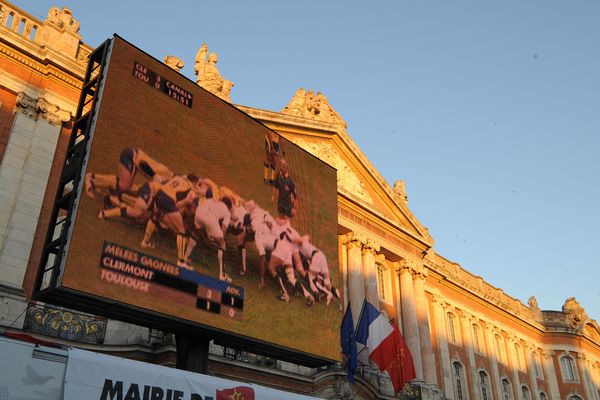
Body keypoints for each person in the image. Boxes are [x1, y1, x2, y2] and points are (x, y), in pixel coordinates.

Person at [85, 147, 172, 197]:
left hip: (134, 159)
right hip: (131, 158)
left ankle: (93, 176)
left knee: (125, 184)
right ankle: (92, 181)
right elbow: (143, 164)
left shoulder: (166, 177)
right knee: (124, 187)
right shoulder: (162, 176)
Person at [267, 217, 314, 306]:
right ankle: (309, 296)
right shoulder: (295, 235)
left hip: (282, 249)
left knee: (271, 267)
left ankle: (284, 294)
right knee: (291, 278)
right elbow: (302, 242)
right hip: (287, 254)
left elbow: (275, 225)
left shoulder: (286, 229)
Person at [194, 193, 234, 282]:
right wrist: (221, 240)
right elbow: (223, 230)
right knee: (222, 244)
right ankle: (222, 275)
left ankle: (184, 258)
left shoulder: (213, 201)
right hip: (209, 220)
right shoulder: (227, 212)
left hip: (198, 214)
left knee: (196, 233)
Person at [298, 234, 340, 307]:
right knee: (328, 284)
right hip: (321, 256)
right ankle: (340, 300)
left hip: (316, 257)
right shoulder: (305, 241)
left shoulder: (299, 245)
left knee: (309, 277)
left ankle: (317, 293)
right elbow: (308, 236)